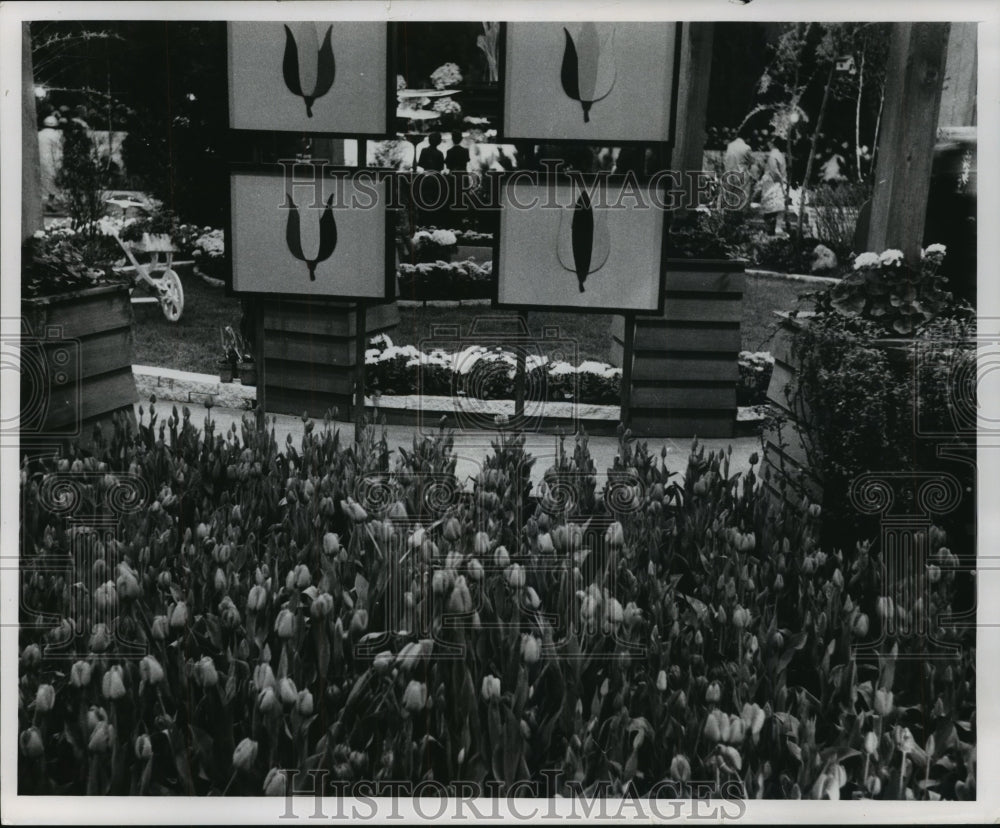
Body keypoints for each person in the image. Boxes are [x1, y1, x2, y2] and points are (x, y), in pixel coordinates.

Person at [38, 114, 64, 209]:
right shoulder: (57, 135)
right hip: (50, 162)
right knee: (53, 183)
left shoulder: (38, 134)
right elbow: (58, 153)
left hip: (38, 162)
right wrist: (59, 166)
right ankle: (50, 202)